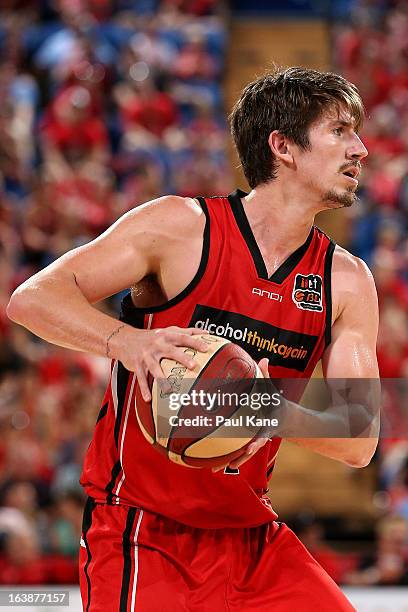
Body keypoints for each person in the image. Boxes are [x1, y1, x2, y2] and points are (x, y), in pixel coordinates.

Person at [7, 66, 380, 611]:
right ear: (284, 147)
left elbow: (359, 434)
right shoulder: (179, 227)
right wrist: (128, 343)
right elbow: (32, 299)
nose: (362, 148)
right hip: (143, 530)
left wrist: (252, 408)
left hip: (253, 537)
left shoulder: (346, 280)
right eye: (340, 130)